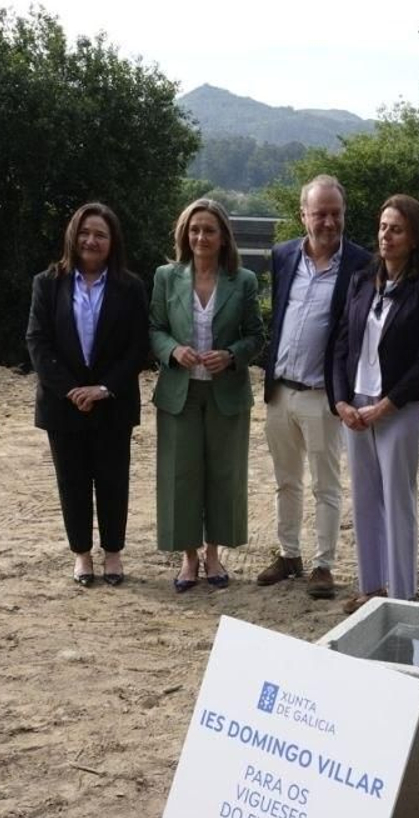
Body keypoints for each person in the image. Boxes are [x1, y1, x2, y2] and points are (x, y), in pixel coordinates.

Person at [330, 194, 419, 613]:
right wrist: (341, 400)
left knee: (398, 500)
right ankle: (371, 586)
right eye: (382, 227)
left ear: (415, 238)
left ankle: (402, 594)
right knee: (363, 498)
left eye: (396, 229)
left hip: (399, 409)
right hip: (355, 405)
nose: (386, 236)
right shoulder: (362, 280)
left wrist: (388, 404)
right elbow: (343, 342)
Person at [257, 175, 372, 599]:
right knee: (285, 480)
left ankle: (323, 565)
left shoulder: (362, 264)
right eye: (319, 213)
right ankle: (289, 555)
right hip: (280, 391)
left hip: (324, 394)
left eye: (335, 214)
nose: (328, 222)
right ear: (302, 214)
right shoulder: (283, 255)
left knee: (326, 483)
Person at [25, 202, 148, 587]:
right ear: (73, 236)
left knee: (113, 481)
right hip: (64, 405)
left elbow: (138, 347)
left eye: (100, 234)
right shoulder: (47, 283)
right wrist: (71, 390)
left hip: (113, 402)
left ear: (113, 242)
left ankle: (113, 553)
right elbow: (37, 341)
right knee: (72, 482)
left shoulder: (130, 287)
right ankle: (82, 555)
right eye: (85, 233)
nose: (91, 240)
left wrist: (104, 388)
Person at [148, 198, 264, 592]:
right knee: (180, 476)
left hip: (226, 394)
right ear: (185, 233)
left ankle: (214, 555)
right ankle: (188, 559)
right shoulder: (166, 276)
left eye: (209, 230)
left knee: (223, 475)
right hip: (179, 393)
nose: (201, 236)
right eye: (194, 229)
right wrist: (172, 351)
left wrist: (231, 356)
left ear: (223, 236)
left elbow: (257, 337)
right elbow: (154, 329)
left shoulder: (243, 281)